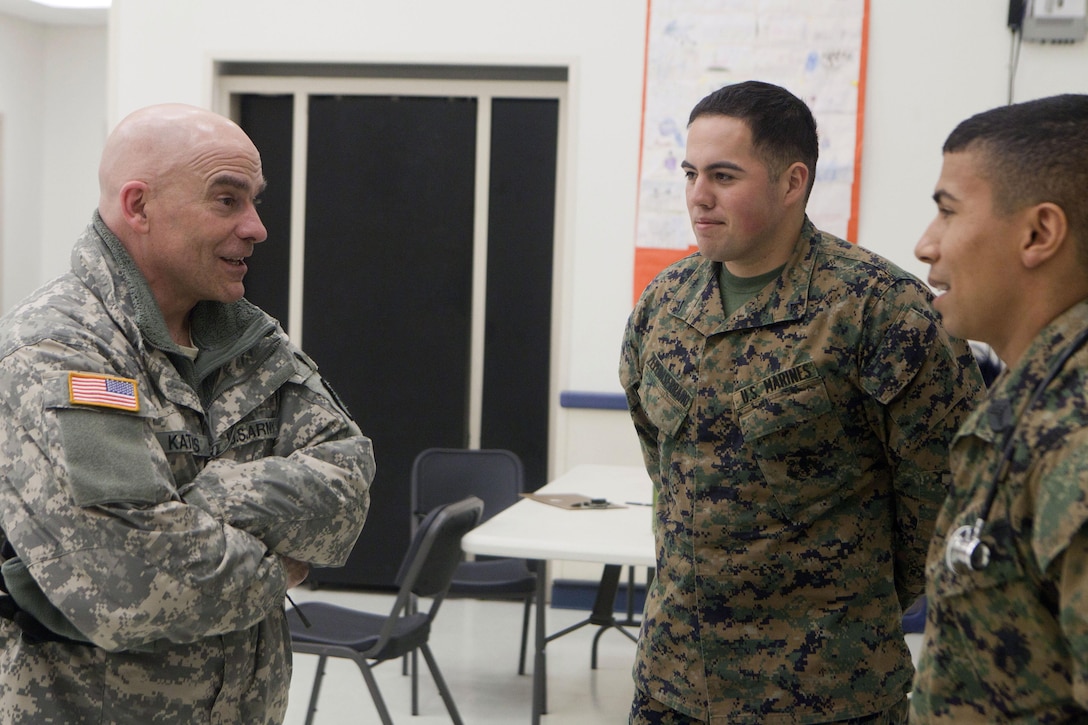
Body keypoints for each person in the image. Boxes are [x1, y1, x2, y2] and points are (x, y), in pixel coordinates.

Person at [619, 80, 984, 723]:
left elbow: (945, 501)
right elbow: (666, 468)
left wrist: (846, 603)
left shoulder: (881, 311)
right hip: (675, 682)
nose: (699, 196)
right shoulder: (666, 303)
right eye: (691, 173)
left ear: (792, 182)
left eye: (724, 175)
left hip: (824, 690)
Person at [0, 104, 375, 723]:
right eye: (227, 201)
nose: (256, 227)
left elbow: (348, 487)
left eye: (254, 201)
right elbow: (131, 583)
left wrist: (199, 500)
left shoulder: (251, 341)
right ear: (138, 206)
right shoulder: (58, 350)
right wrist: (284, 565)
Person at [909, 94, 1088, 722]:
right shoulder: (1032, 394)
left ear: (1038, 233)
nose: (925, 245)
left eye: (947, 212)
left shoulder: (1074, 429)